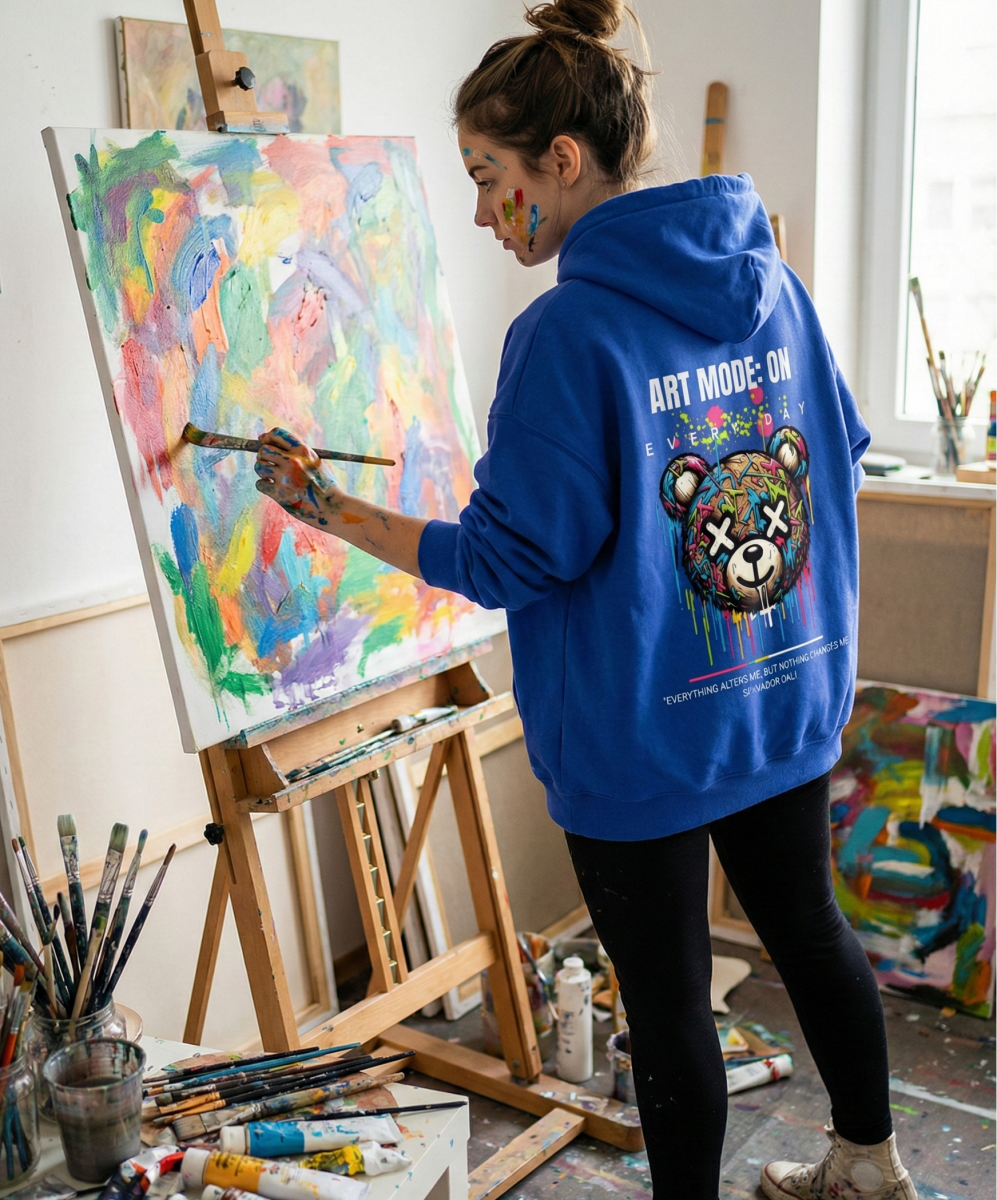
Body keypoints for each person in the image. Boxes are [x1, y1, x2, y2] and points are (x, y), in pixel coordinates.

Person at [253, 3, 916, 1197]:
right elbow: (839, 451)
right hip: (779, 702)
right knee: (811, 934)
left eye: (486, 176)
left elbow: (509, 560)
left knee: (666, 1011)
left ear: (560, 162)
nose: (477, 210)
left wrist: (328, 511)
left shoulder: (567, 331)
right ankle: (871, 1167)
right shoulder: (776, 283)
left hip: (642, 738)